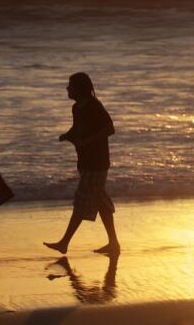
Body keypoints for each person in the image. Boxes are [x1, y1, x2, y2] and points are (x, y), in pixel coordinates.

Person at [43, 72, 120, 256]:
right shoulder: (76, 108)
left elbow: (110, 128)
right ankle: (114, 244)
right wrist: (68, 135)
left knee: (81, 201)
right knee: (100, 202)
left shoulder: (94, 106)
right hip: (85, 161)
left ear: (80, 89)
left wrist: (89, 141)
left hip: (98, 163)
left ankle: (64, 242)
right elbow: (77, 128)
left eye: (70, 86)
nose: (67, 89)